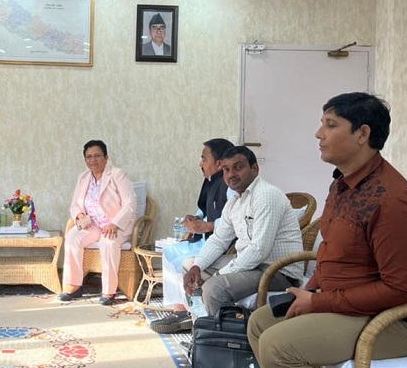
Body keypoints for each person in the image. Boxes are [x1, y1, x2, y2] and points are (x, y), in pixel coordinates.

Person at [247, 93, 407, 368]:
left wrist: (318, 302)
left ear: (362, 134)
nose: (318, 134)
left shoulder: (392, 200)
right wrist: (309, 292)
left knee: (278, 346)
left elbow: (400, 288)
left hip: (394, 324)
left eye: (331, 125)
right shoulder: (342, 185)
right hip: (348, 307)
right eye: (322, 124)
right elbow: (332, 251)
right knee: (260, 322)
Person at [182, 146, 303, 318]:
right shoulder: (234, 202)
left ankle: (221, 332)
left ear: (255, 169)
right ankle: (203, 324)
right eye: (226, 169)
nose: (231, 174)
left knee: (214, 288)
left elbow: (259, 249)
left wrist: (219, 275)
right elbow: (219, 240)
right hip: (252, 266)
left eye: (238, 167)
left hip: (277, 272)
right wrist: (197, 267)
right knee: (190, 266)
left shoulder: (266, 195)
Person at [149, 138, 233, 334]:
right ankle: (180, 309)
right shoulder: (210, 181)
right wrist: (195, 219)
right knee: (170, 252)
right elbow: (204, 209)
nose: (200, 164)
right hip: (204, 238)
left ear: (219, 164)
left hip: (221, 243)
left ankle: (190, 312)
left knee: (185, 261)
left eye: (204, 159)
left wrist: (207, 226)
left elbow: (232, 221)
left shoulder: (229, 186)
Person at [59, 140, 137, 306]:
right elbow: (74, 204)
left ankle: (109, 291)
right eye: (89, 157)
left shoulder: (117, 175)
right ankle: (74, 285)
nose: (93, 160)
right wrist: (79, 215)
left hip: (115, 226)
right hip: (92, 225)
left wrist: (115, 223)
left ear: (106, 157)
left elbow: (130, 203)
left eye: (97, 156)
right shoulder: (83, 178)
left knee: (108, 242)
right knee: (72, 236)